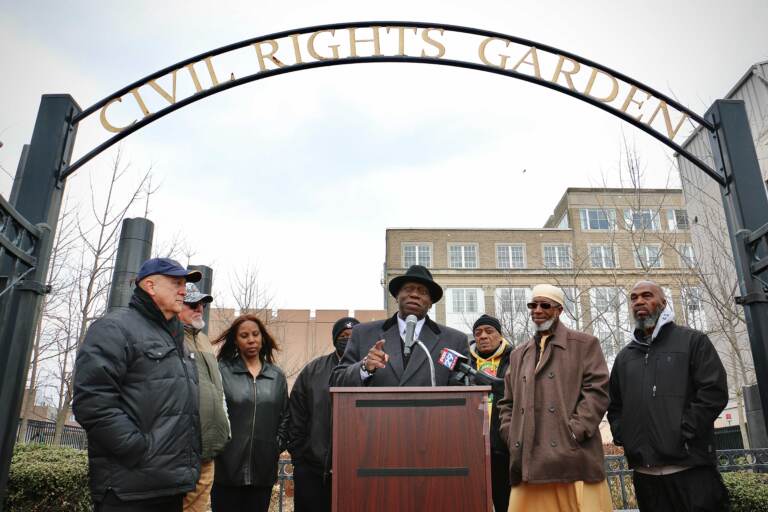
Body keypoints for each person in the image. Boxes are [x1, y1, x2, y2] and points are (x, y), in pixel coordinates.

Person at [73, 258, 203, 512]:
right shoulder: (114, 328)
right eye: (176, 282)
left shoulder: (177, 338)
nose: (183, 290)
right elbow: (92, 402)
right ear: (150, 286)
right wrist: (138, 450)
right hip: (128, 490)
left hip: (170, 487)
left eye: (184, 284)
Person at [607, 281, 729, 512]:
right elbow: (614, 405)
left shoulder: (693, 341)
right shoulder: (624, 357)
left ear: (663, 303)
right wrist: (624, 435)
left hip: (692, 472)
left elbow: (713, 393)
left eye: (647, 295)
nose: (639, 301)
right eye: (633, 298)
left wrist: (682, 432)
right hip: (646, 478)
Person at [498, 284, 613, 511]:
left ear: (559, 310)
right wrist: (512, 435)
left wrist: (574, 431)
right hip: (528, 461)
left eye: (545, 305)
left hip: (573, 458)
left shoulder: (584, 344)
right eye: (533, 305)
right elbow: (507, 403)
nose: (537, 310)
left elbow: (597, 390)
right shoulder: (519, 353)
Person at [331, 265, 469, 387]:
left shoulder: (454, 341)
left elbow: (467, 388)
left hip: (432, 417)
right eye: (408, 289)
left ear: (430, 303)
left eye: (422, 292)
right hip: (378, 416)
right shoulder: (363, 333)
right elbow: (337, 381)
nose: (414, 294)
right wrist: (364, 368)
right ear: (397, 296)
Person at [211, 313, 289, 512]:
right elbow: (213, 414)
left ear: (262, 338)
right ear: (236, 341)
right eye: (244, 336)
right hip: (226, 469)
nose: (251, 340)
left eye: (255, 334)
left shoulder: (276, 376)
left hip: (263, 469)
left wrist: (275, 446)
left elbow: (285, 416)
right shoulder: (222, 371)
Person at [288, 316, 360, 512]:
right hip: (313, 471)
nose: (348, 340)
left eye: (354, 336)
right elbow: (296, 412)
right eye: (344, 336)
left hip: (356, 471)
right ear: (335, 339)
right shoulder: (314, 370)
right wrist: (300, 456)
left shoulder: (372, 370)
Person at [179, 283, 231, 512]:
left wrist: (226, 427)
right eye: (192, 303)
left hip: (208, 448)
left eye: (201, 303)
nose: (199, 308)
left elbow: (216, 388)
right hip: (181, 450)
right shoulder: (168, 337)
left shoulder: (203, 340)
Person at [468, 314, 512, 512]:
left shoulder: (516, 358)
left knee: (506, 503)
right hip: (471, 446)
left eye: (489, 331)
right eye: (478, 333)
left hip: (503, 446)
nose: (483, 336)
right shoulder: (465, 361)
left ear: (500, 336)